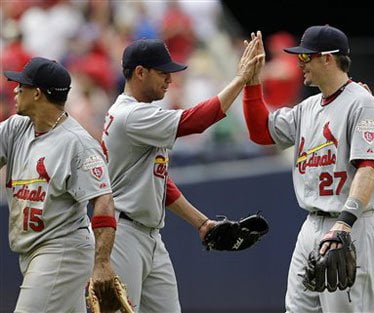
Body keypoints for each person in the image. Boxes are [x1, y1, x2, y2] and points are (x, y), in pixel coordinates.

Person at [101, 38, 262, 312]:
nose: (170, 79)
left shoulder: (140, 114)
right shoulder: (131, 115)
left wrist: (201, 223)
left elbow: (160, 180)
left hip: (149, 236)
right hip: (124, 234)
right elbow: (195, 121)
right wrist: (240, 80)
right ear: (140, 72)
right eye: (162, 72)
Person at [243, 27, 374, 312]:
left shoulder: (361, 104)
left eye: (306, 56)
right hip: (311, 223)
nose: (300, 63)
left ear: (328, 59)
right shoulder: (307, 107)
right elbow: (262, 132)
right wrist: (251, 83)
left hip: (349, 224)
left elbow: (370, 167)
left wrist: (345, 222)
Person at [1, 57, 118, 312]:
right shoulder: (16, 128)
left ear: (37, 94)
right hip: (32, 251)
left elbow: (104, 200)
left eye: (22, 85)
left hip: (62, 249)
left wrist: (102, 263)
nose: (15, 89)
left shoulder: (78, 144)